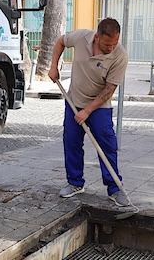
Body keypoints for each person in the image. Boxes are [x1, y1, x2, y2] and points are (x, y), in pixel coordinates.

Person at [48, 18, 130, 207]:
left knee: (106, 143)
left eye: (115, 43)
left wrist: (87, 111)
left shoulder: (120, 56)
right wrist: (54, 66)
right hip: (74, 100)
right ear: (97, 37)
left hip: (99, 106)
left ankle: (115, 188)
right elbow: (60, 41)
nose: (111, 48)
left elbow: (109, 90)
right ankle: (75, 183)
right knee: (71, 141)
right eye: (108, 44)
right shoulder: (81, 37)